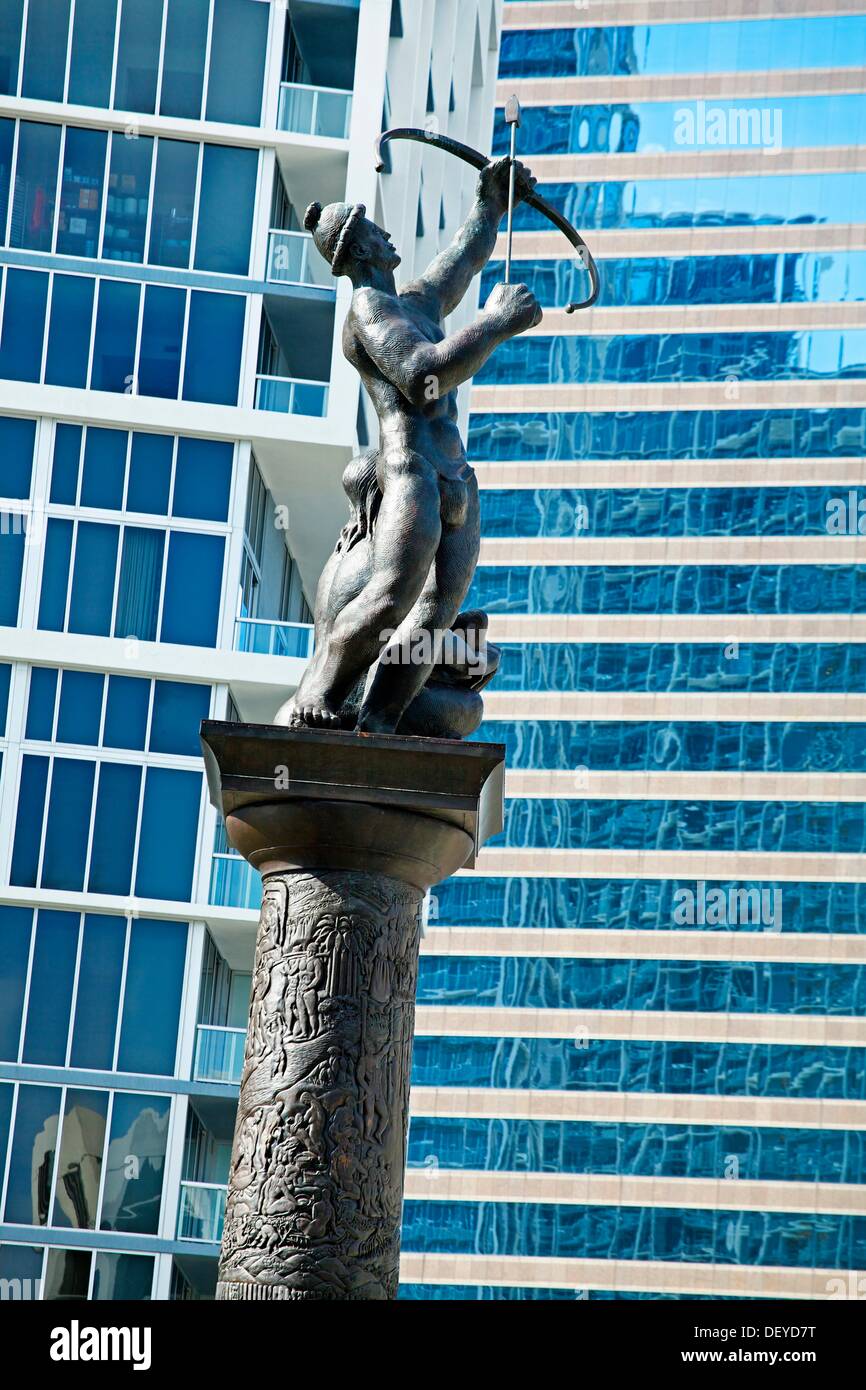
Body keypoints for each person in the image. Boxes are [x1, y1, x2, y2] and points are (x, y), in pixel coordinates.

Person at [276, 155, 542, 734]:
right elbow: (423, 375)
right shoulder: (367, 309)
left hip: (456, 481)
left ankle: (381, 719)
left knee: (434, 617)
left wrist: (491, 203)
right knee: (392, 597)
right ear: (360, 250)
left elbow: (465, 259)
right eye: (374, 229)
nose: (387, 232)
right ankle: (318, 693)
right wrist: (495, 324)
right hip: (412, 473)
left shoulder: (416, 302)